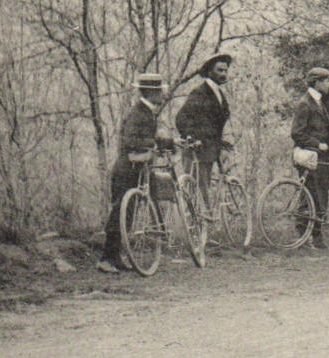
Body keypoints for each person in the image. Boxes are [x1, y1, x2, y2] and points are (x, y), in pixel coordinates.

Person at [98, 73, 173, 274]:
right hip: (126, 170)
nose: (162, 94)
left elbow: (149, 138)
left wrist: (170, 143)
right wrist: (152, 145)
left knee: (128, 216)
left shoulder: (147, 113)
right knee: (118, 214)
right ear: (149, 92)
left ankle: (117, 257)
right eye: (158, 91)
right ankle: (106, 258)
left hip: (137, 170)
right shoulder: (138, 113)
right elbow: (130, 141)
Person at [174, 52, 232, 209]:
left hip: (210, 151)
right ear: (209, 71)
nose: (223, 74)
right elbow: (181, 118)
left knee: (203, 192)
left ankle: (203, 228)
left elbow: (216, 125)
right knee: (194, 194)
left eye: (225, 70)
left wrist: (223, 145)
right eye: (219, 70)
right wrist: (191, 138)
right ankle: (194, 231)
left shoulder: (219, 94)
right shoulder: (199, 92)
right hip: (196, 151)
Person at [290, 66, 329, 249]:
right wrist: (318, 144)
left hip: (319, 158)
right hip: (308, 157)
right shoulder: (305, 103)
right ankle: (305, 239)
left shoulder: (318, 102)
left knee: (318, 198)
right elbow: (297, 133)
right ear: (317, 82)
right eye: (327, 81)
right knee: (309, 197)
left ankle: (316, 239)